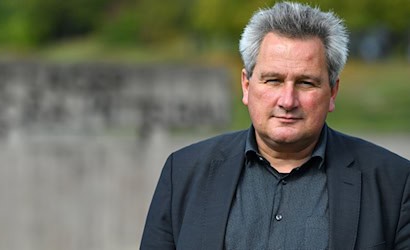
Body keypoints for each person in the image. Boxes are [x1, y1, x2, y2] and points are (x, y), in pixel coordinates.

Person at [140, 2, 410, 249]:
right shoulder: (184, 172)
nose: (288, 100)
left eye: (306, 83)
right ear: (246, 85)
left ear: (333, 92)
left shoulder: (395, 183)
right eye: (273, 80)